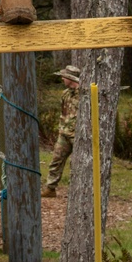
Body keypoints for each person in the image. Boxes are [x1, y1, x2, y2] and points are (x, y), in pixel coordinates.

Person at [42, 64, 80, 197]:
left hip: (78, 135)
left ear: (71, 78)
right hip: (64, 133)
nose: (62, 78)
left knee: (77, 164)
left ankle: (78, 191)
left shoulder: (83, 94)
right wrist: (61, 128)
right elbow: (63, 112)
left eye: (64, 76)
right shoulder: (65, 94)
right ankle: (50, 188)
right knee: (56, 160)